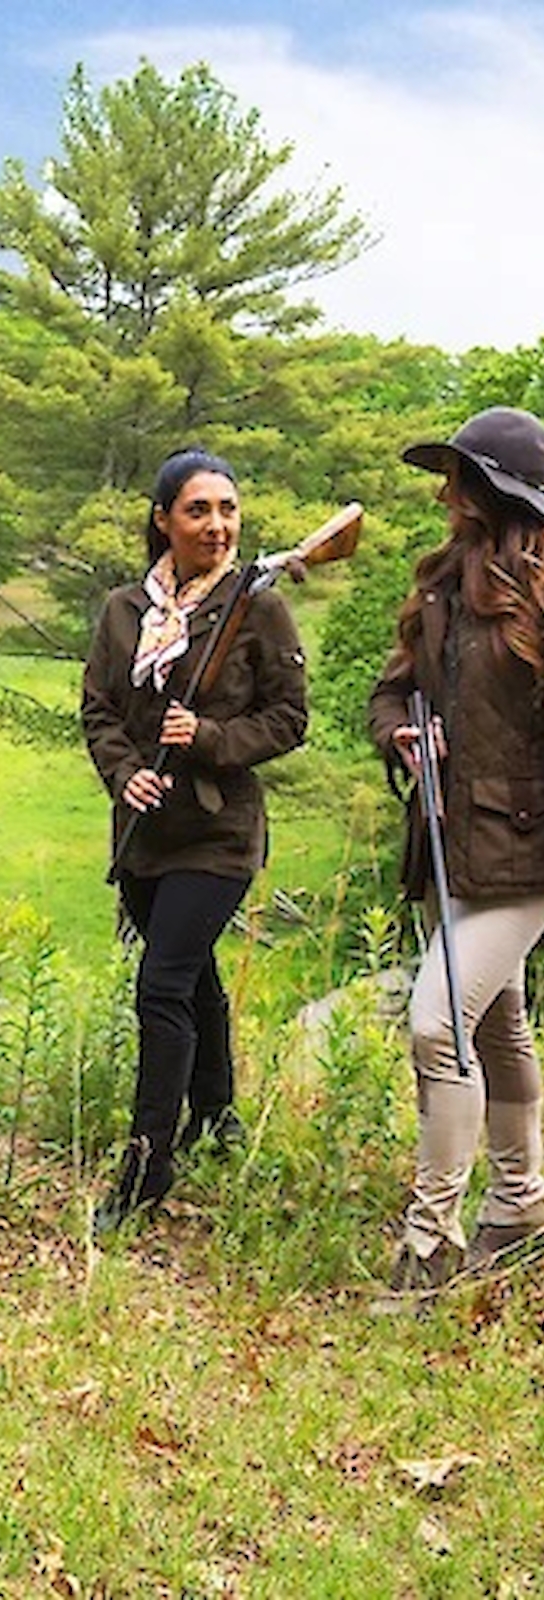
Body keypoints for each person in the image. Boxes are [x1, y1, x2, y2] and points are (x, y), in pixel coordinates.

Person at [81, 448, 308, 1237]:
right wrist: (124, 775)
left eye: (228, 510)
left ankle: (147, 1168)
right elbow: (100, 711)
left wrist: (207, 735)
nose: (217, 526)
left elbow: (289, 718)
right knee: (195, 976)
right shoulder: (122, 610)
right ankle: (218, 1115)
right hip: (145, 834)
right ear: (163, 520)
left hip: (217, 834)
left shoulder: (258, 608)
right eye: (199, 511)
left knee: (162, 987)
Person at [369, 406, 544, 1291]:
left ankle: (429, 1246)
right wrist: (404, 735)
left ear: (490, 492)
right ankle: (520, 1206)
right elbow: (390, 693)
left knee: (438, 1027)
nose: (443, 493)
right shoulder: (438, 583)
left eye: (457, 478)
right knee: (497, 1027)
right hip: (446, 843)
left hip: (527, 858)